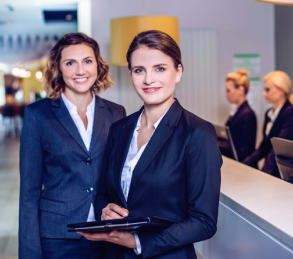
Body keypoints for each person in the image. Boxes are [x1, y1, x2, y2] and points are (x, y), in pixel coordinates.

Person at [78, 30, 222, 259]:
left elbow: (203, 221)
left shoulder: (197, 133)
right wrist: (105, 210)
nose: (148, 79)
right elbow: (104, 193)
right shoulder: (119, 129)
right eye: (139, 70)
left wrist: (137, 241)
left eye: (160, 69)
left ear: (178, 72)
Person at [19, 32, 126, 259]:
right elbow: (29, 193)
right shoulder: (38, 115)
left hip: (107, 233)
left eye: (87, 61)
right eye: (70, 63)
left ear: (98, 66)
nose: (80, 71)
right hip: (57, 236)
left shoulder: (117, 113)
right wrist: (29, 253)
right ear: (58, 68)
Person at [243, 71, 293, 177]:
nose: (264, 94)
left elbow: (278, 150)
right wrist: (244, 164)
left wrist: (264, 174)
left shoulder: (292, 114)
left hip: (285, 176)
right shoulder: (269, 113)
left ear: (281, 90)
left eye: (267, 90)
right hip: (273, 173)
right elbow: (264, 147)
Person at [224, 68, 257, 162]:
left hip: (243, 168)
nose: (225, 94)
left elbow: (242, 151)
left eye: (228, 90)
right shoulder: (237, 112)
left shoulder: (247, 114)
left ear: (241, 90)